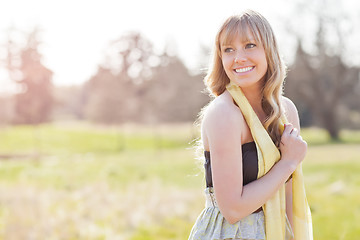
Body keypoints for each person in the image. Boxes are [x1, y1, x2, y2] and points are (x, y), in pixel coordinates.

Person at [188, 10, 313, 240]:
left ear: (269, 49)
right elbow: (233, 209)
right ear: (220, 58)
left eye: (249, 45)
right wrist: (288, 162)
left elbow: (288, 194)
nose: (239, 57)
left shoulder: (286, 111)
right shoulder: (224, 115)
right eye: (229, 49)